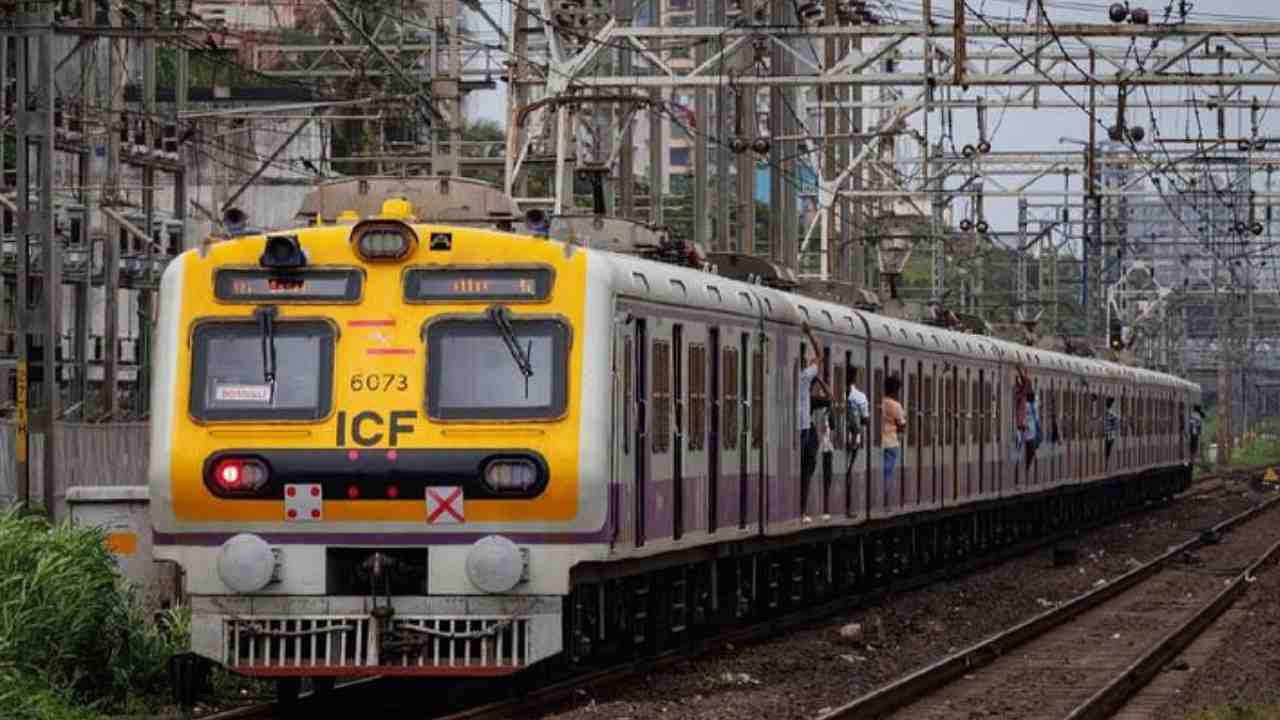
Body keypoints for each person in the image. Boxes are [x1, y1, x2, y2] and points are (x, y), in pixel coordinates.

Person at [798, 324, 830, 523]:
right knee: (807, 470)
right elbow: (820, 357)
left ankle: (801, 511)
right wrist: (810, 333)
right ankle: (802, 511)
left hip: (794, 428)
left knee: (803, 469)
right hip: (804, 429)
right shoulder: (805, 377)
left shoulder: (797, 378)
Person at [882, 374, 907, 503]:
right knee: (888, 471)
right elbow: (902, 425)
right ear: (896, 390)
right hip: (891, 442)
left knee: (883, 470)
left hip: (880, 442)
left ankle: (881, 494)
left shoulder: (881, 402)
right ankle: (885, 497)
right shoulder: (896, 405)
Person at [1103, 396, 1119, 465]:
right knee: (1107, 450)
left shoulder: (1110, 414)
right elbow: (1116, 426)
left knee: (1107, 450)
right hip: (1110, 435)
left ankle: (1106, 462)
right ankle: (1106, 462)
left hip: (1108, 435)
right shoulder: (1112, 414)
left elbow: (1115, 425)